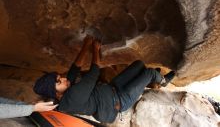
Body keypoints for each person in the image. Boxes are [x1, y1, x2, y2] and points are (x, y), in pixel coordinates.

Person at [33, 36, 175, 123]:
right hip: (119, 101)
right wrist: (95, 48)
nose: (63, 79)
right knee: (149, 72)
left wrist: (86, 45)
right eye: (59, 82)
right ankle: (162, 81)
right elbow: (94, 72)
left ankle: (152, 80)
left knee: (139, 65)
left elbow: (75, 67)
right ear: (57, 94)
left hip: (113, 88)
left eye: (59, 77)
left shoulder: (65, 88)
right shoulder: (71, 98)